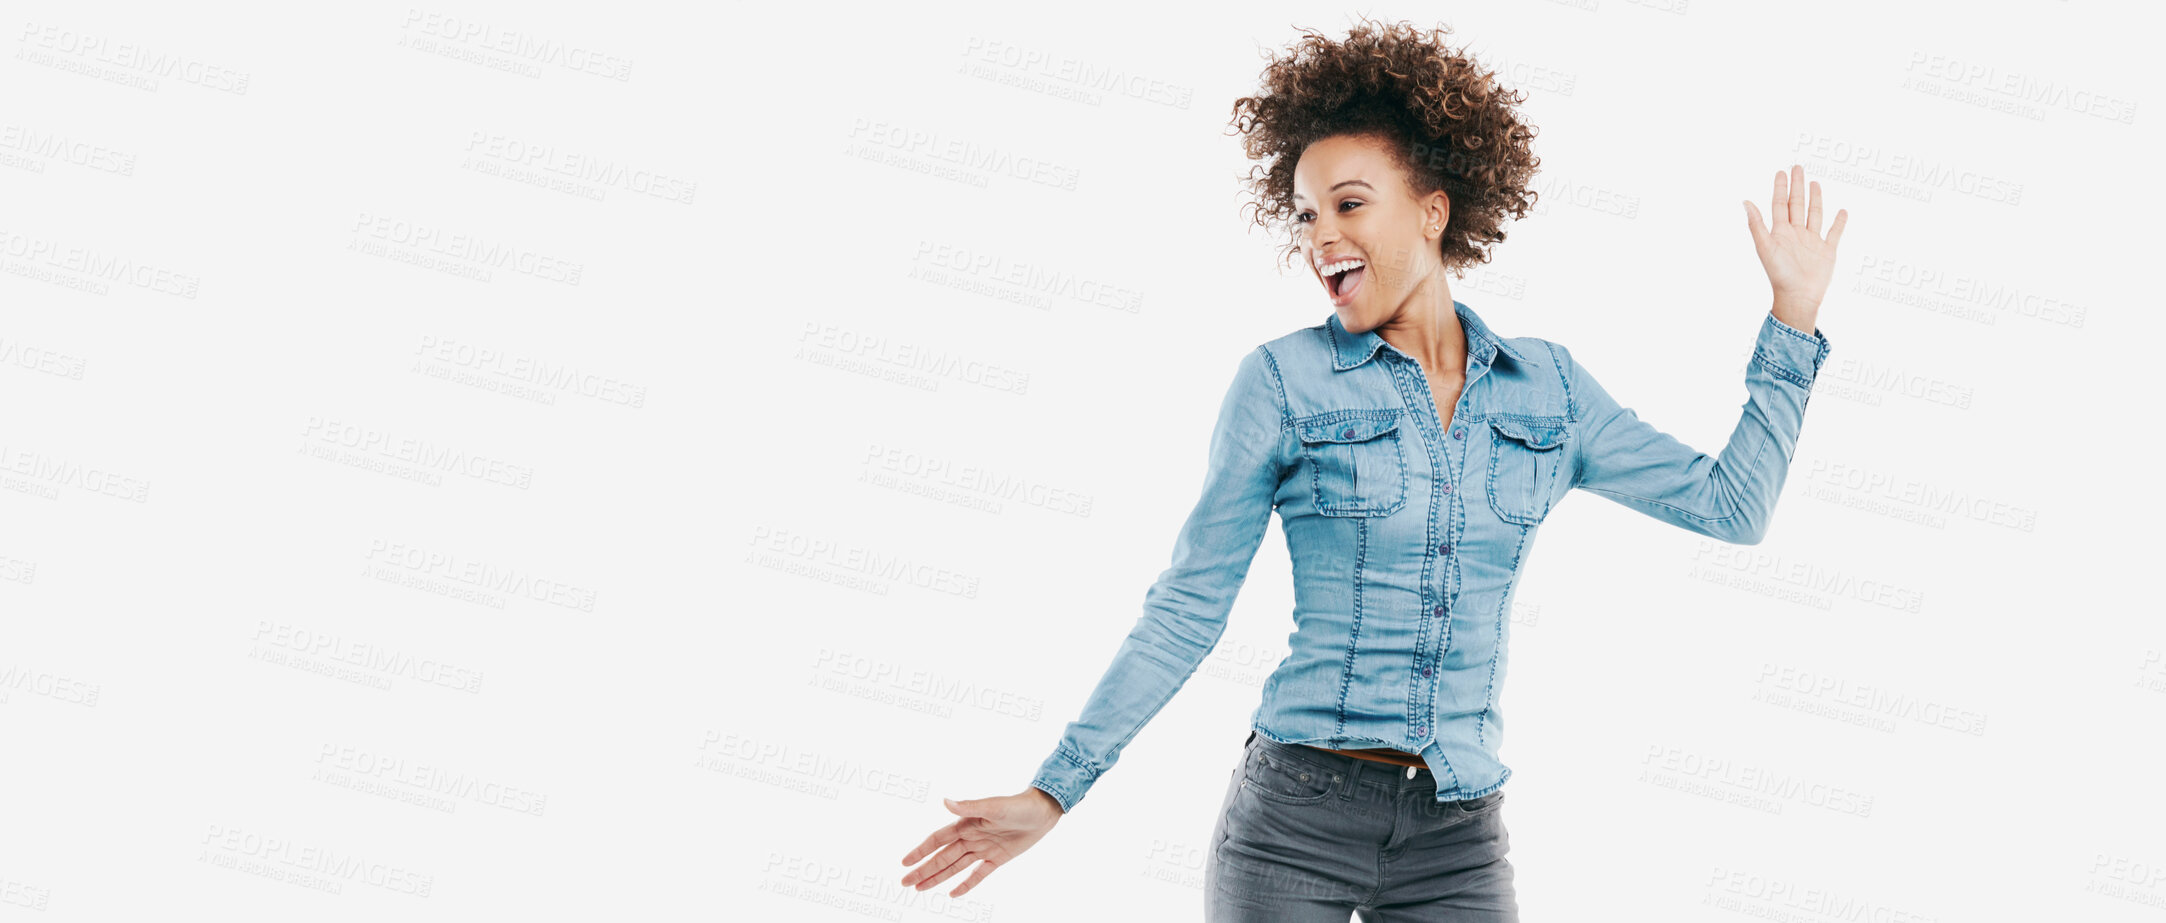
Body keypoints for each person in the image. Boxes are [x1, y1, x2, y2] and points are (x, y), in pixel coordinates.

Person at [899, 17, 1845, 920]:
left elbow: (1734, 506)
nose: (1321, 237)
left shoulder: (1548, 389)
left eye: (1350, 204)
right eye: (1308, 214)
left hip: (1459, 834)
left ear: (1435, 212)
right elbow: (1188, 606)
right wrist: (1055, 790)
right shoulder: (1281, 380)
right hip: (1294, 821)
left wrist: (1792, 320)